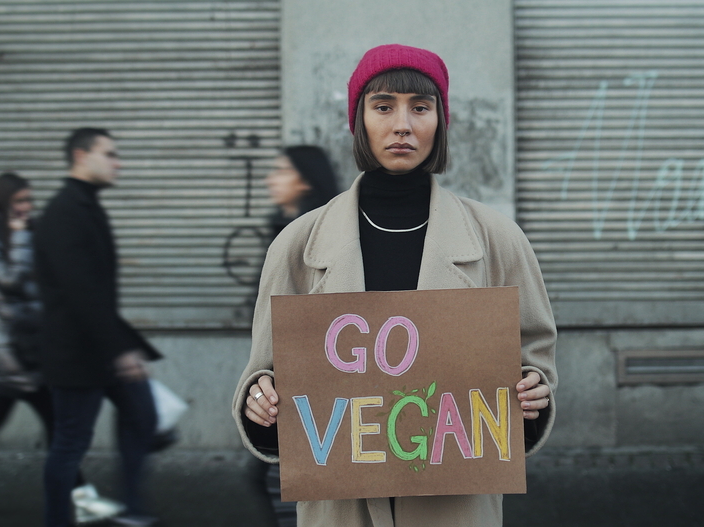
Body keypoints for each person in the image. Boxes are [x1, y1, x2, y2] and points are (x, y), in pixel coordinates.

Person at [233, 44, 557, 527]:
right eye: (383, 106)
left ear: (439, 122)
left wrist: (534, 393)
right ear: (359, 120)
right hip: (339, 509)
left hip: (454, 505)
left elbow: (535, 358)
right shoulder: (296, 245)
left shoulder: (498, 240)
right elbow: (265, 372)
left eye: (420, 108)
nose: (402, 124)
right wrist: (261, 403)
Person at [0, 171, 124, 524]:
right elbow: (10, 282)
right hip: (10, 349)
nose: (27, 207)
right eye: (20, 201)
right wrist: (21, 238)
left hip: (25, 344)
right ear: (4, 203)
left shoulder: (17, 231)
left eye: (29, 200)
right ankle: (80, 496)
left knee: (0, 419)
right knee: (54, 421)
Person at [34, 128, 162, 527]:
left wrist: (123, 346)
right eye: (109, 154)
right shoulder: (64, 213)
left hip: (98, 349)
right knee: (69, 445)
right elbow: (81, 292)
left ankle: (132, 505)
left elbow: (95, 294)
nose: (117, 162)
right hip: (76, 355)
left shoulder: (84, 205)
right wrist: (120, 350)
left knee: (142, 416)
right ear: (80, 156)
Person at [259, 145, 341, 527]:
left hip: (314, 379)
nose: (270, 179)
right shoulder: (280, 227)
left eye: (280, 170)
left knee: (287, 475)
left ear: (304, 179)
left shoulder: (321, 235)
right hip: (284, 376)